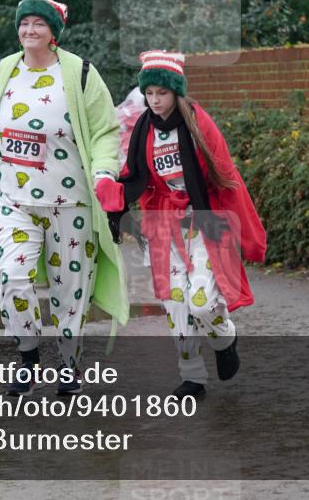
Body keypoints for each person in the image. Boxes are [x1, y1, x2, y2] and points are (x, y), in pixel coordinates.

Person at [0, 0, 128, 397]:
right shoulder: (1, 72)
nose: (29, 30)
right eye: (24, 23)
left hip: (71, 204)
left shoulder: (81, 73)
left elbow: (105, 131)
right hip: (12, 200)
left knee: (71, 291)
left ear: (54, 33)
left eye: (39, 24)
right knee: (11, 277)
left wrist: (104, 173)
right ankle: (28, 357)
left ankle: (68, 364)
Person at [95, 50, 267, 399]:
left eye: (162, 93)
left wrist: (247, 234)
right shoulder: (143, 127)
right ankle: (192, 377)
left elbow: (226, 177)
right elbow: (133, 176)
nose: (155, 100)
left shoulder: (198, 123)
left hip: (204, 222)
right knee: (176, 303)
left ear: (176, 92)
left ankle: (224, 339)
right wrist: (110, 194)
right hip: (163, 226)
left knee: (201, 301)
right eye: (149, 93)